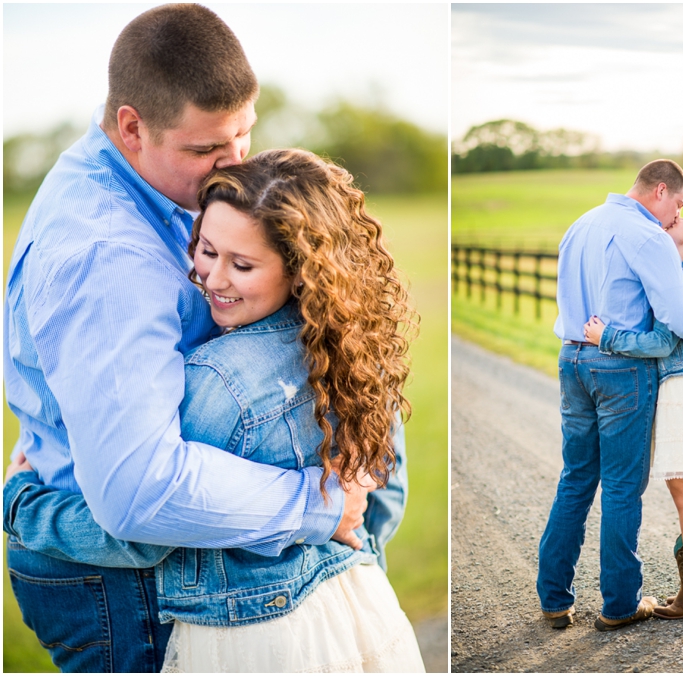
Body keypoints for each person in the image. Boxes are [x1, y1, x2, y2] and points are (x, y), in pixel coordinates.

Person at [3, 6, 367, 672]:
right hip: (120, 584)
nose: (233, 168)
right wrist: (319, 506)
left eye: (242, 136)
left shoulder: (168, 186)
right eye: (206, 151)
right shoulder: (107, 256)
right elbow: (139, 490)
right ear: (132, 127)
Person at [5, 148, 425, 672]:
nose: (213, 278)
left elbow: (142, 527)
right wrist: (354, 561)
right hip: (360, 613)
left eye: (241, 264)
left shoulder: (216, 386)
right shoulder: (358, 347)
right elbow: (385, 494)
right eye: (205, 249)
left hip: (258, 643)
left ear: (298, 270)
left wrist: (25, 508)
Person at [537, 159, 683, 632]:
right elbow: (679, 314)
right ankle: (621, 604)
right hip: (620, 369)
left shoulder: (580, 225)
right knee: (621, 486)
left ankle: (554, 600)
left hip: (570, 359)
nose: (676, 215)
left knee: (576, 478)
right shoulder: (648, 237)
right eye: (678, 204)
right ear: (661, 190)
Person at [584, 209, 683, 619]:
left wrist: (609, 338)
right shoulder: (681, 274)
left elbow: (660, 343)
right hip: (682, 388)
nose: (676, 219)